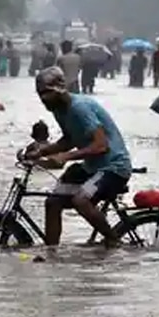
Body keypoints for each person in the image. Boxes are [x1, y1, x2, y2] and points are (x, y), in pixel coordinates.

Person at [25, 66, 133, 248]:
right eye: (39, 94)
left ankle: (114, 240)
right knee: (52, 203)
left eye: (46, 93)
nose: (42, 99)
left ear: (58, 90)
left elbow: (101, 145)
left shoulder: (79, 108)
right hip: (92, 167)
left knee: (80, 201)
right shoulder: (58, 110)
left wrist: (66, 157)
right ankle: (51, 253)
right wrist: (42, 151)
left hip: (114, 167)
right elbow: (69, 139)